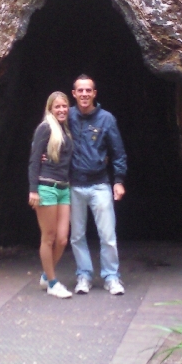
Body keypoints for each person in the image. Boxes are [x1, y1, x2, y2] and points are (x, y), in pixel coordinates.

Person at [68, 75, 127, 295]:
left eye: (88, 90)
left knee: (107, 234)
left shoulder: (106, 119)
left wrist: (119, 180)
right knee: (77, 235)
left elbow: (118, 152)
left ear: (94, 93)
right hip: (74, 184)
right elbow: (52, 137)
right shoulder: (67, 116)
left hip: (100, 184)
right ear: (74, 93)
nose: (84, 94)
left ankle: (111, 277)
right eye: (80, 90)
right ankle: (83, 275)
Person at [28, 91, 74, 299]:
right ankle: (53, 283)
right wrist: (33, 190)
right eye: (57, 107)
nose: (62, 110)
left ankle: (47, 275)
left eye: (64, 106)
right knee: (49, 237)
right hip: (46, 186)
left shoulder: (65, 129)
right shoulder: (45, 128)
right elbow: (35, 159)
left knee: (63, 239)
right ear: (50, 109)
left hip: (63, 188)